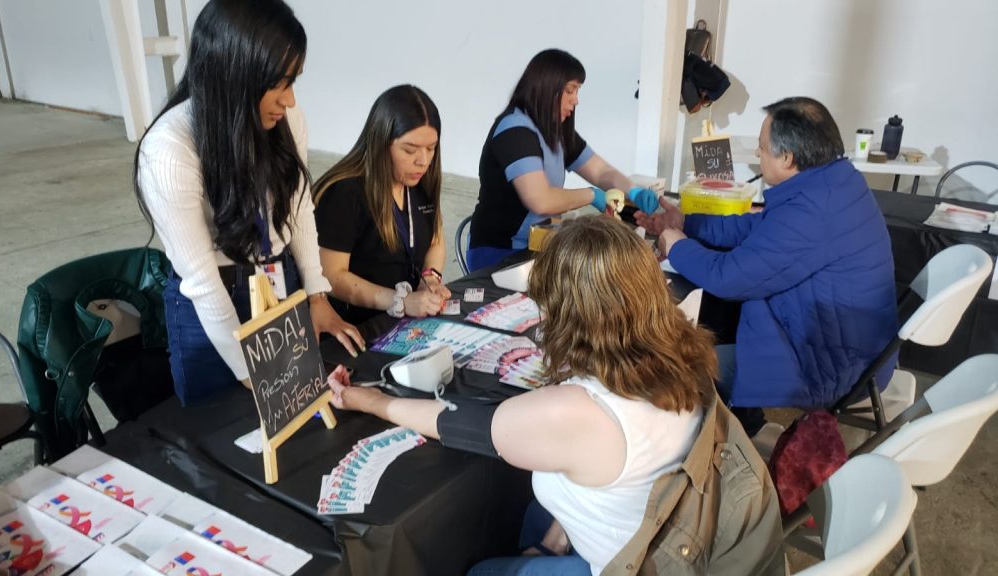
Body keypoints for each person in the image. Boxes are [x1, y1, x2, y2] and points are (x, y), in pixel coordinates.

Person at [325, 216, 783, 575]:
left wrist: (368, 400)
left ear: (565, 312)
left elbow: (456, 422)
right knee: (533, 519)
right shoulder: (681, 352)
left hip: (644, 561)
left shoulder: (576, 411)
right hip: (681, 536)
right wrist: (556, 537)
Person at [134, 0, 363, 405]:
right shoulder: (169, 149)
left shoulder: (287, 121)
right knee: (221, 427)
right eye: (279, 83)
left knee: (299, 420)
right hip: (212, 303)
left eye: (294, 82)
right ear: (234, 75)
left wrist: (316, 292)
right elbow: (202, 281)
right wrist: (249, 371)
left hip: (280, 282)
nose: (290, 101)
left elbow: (298, 207)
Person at [637, 96, 898, 431]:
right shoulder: (836, 182)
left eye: (761, 149)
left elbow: (728, 278)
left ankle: (730, 443)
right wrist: (686, 223)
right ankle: (744, 418)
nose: (758, 155)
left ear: (787, 158)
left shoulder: (809, 211)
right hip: (853, 348)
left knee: (679, 368)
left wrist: (676, 246)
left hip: (827, 366)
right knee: (717, 317)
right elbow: (757, 228)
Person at [466, 49, 661, 271]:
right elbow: (541, 199)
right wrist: (591, 195)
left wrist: (634, 191)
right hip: (498, 253)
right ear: (547, 87)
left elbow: (600, 171)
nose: (575, 100)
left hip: (539, 246)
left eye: (577, 91)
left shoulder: (555, 131)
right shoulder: (515, 130)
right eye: (570, 90)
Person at [313, 85, 451, 324]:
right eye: (409, 150)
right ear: (381, 143)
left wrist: (430, 277)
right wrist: (399, 301)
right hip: (356, 325)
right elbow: (332, 277)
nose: (423, 161)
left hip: (405, 322)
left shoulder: (422, 182)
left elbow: (435, 242)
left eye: (431, 149)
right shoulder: (344, 192)